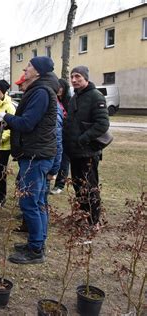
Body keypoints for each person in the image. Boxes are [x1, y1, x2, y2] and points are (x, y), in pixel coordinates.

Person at [0, 56, 58, 264]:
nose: (25, 68)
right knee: (38, 202)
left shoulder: (41, 92)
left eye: (29, 66)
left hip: (36, 156)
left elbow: (28, 123)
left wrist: (6, 118)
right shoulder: (40, 90)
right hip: (36, 154)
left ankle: (35, 250)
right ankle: (36, 242)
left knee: (31, 203)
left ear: (38, 72)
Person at [63, 66, 109, 226]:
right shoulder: (75, 97)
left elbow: (102, 124)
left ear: (86, 78)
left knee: (89, 188)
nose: (74, 80)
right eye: (72, 77)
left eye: (78, 77)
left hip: (88, 152)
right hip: (74, 152)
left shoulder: (96, 96)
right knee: (78, 187)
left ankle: (93, 221)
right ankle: (83, 216)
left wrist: (82, 139)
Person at [51, 78, 71, 194]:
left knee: (64, 161)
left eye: (61, 87)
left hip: (66, 136)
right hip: (57, 135)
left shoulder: (69, 101)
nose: (59, 89)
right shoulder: (54, 100)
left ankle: (60, 184)